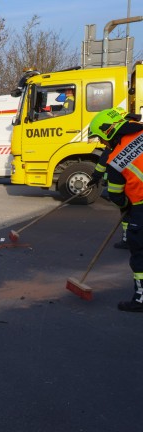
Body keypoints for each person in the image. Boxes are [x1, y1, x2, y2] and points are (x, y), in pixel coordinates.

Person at [89, 107, 143, 312]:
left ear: (108, 131)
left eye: (101, 138)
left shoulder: (116, 160)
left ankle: (141, 299)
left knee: (140, 253)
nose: (102, 143)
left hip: (141, 206)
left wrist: (125, 208)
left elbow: (116, 196)